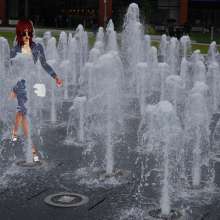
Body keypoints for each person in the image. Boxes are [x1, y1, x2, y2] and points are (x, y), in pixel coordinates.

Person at [9, 19, 63, 162]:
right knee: (24, 115)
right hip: (20, 86)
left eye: (29, 33)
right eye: (23, 33)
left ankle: (14, 131)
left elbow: (44, 64)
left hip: (31, 84)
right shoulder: (15, 50)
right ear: (19, 34)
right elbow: (12, 72)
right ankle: (32, 151)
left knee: (22, 112)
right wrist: (13, 89)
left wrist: (55, 76)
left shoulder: (37, 47)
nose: (26, 36)